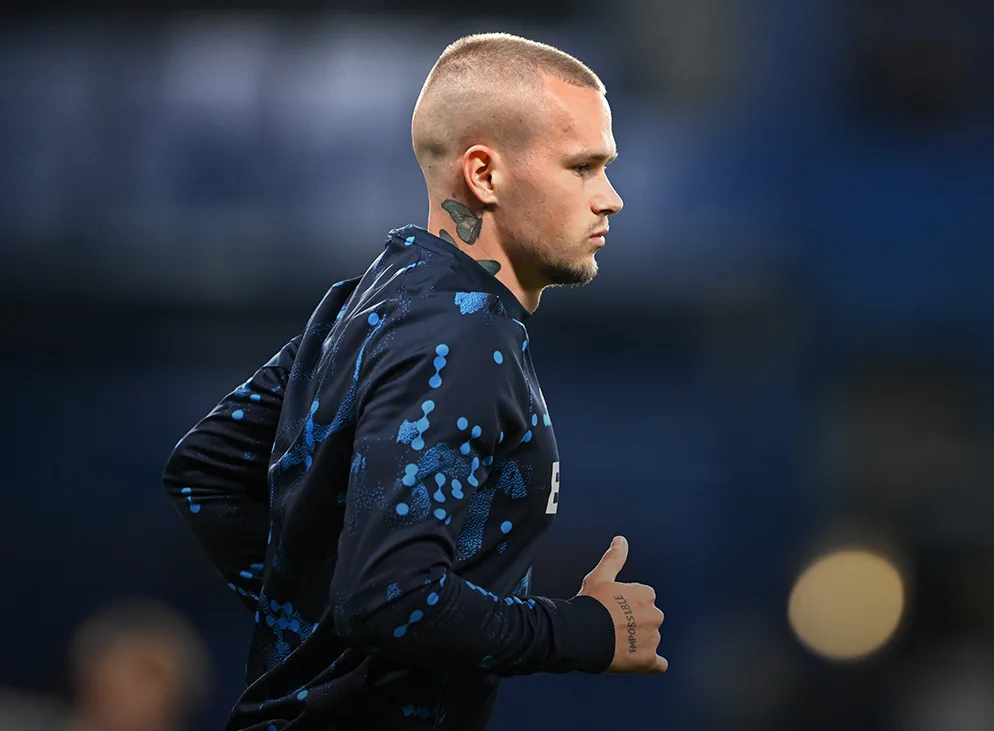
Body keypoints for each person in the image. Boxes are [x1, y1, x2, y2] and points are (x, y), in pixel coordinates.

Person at [163, 32, 666, 730]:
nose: (610, 198)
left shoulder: (372, 300)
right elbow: (390, 598)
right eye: (582, 167)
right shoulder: (461, 332)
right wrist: (582, 631)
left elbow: (205, 468)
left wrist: (314, 626)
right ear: (483, 175)